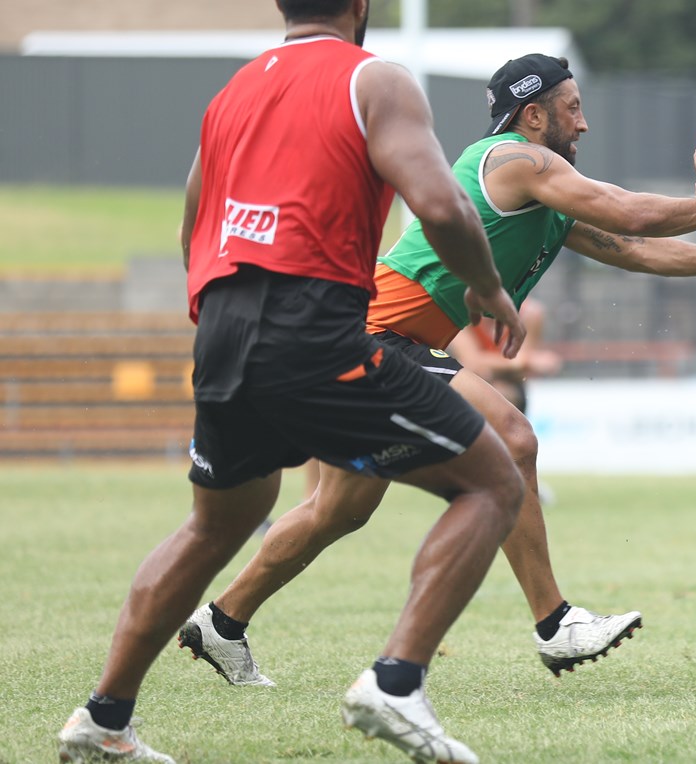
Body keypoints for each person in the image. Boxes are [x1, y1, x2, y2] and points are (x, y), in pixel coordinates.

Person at [57, 1, 531, 761]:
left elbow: (193, 226)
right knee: (493, 484)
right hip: (310, 325)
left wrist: (229, 320)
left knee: (214, 525)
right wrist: (486, 285)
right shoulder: (376, 80)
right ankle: (395, 683)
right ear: (362, 7)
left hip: (223, 325)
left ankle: (103, 721)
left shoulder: (235, 92)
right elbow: (440, 204)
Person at [173, 52, 696, 690]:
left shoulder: (543, 192)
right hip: (377, 334)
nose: (583, 124)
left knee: (337, 511)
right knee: (513, 439)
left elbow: (637, 249)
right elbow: (631, 213)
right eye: (573, 108)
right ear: (533, 114)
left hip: (370, 336)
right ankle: (555, 624)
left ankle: (223, 621)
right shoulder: (516, 160)